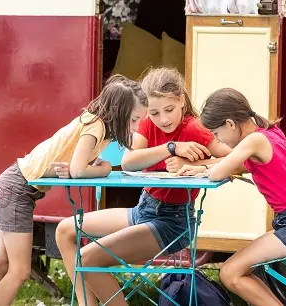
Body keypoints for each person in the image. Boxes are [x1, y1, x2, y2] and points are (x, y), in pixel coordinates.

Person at [54, 67, 231, 306]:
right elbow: (129, 161)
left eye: (169, 110)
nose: (163, 119)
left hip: (171, 221)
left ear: (180, 100)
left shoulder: (193, 128)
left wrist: (198, 162)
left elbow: (235, 158)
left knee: (87, 259)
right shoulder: (149, 124)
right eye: (154, 113)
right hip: (143, 210)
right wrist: (172, 147)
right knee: (65, 230)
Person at [0, 75, 148, 306]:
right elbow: (79, 170)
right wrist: (103, 168)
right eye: (134, 119)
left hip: (12, 183)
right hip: (17, 188)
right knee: (19, 270)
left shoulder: (98, 126)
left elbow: (78, 165)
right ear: (119, 111)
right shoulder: (95, 126)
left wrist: (89, 165)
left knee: (0, 260)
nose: (136, 126)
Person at [177, 88, 286, 306]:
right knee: (237, 270)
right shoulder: (270, 133)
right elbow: (235, 164)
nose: (219, 141)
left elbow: (220, 171)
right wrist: (201, 166)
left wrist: (204, 168)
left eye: (217, 134)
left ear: (230, 124)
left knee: (230, 273)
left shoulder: (254, 140)